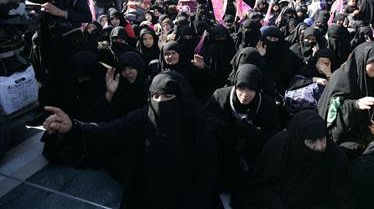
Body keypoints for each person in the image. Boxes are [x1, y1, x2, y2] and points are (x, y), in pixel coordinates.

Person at [42, 71, 219, 209]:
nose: (160, 102)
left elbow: (207, 176)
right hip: (148, 195)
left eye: (168, 96)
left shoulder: (199, 125)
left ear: (181, 97)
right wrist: (74, 129)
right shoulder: (144, 116)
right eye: (155, 97)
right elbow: (110, 132)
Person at [204, 64, 280, 208]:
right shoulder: (220, 96)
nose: (245, 94)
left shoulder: (267, 105)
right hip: (222, 153)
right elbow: (206, 122)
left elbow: (274, 136)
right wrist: (227, 129)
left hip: (251, 157)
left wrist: (252, 133)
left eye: (251, 89)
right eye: (241, 88)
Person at [245, 110, 354, 209]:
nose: (320, 146)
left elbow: (341, 196)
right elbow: (260, 186)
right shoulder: (280, 148)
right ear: (299, 139)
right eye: (312, 141)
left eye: (322, 138)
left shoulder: (334, 156)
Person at [317, 41, 374, 157]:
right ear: (362, 60)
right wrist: (355, 105)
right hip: (347, 138)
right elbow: (331, 111)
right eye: (373, 61)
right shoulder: (342, 77)